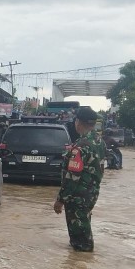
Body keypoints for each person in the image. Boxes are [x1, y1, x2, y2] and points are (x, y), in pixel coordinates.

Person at [53, 106, 106, 252]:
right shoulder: (100, 142)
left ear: (78, 122)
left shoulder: (80, 146)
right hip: (91, 193)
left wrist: (60, 199)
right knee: (84, 230)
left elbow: (72, 177)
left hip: (77, 196)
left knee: (81, 243)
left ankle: (80, 268)